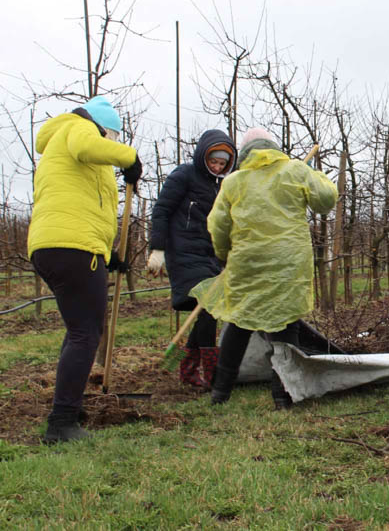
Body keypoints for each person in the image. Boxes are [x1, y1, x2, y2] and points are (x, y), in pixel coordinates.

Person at [190, 129, 338, 410]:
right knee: (285, 325)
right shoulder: (294, 171)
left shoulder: (234, 181)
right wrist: (311, 173)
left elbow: (218, 225)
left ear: (245, 152)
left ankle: (220, 393)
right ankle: (282, 397)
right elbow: (326, 199)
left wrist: (224, 255)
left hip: (248, 262)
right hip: (288, 263)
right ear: (273, 147)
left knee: (239, 322)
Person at [27, 95, 142, 443]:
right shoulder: (75, 129)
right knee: (85, 334)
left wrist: (108, 255)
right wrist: (130, 157)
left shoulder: (63, 149)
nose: (112, 145)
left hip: (60, 246)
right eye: (112, 138)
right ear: (102, 129)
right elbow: (87, 145)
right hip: (72, 248)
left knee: (78, 328)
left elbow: (85, 208)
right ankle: (61, 424)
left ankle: (69, 409)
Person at [147, 129, 237, 389]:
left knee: (208, 311)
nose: (217, 167)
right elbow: (162, 210)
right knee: (207, 307)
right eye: (213, 161)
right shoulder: (184, 174)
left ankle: (189, 370)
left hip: (208, 256)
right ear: (203, 156)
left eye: (222, 164)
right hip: (183, 253)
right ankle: (210, 373)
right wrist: (158, 249)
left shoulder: (221, 185)